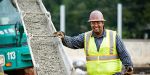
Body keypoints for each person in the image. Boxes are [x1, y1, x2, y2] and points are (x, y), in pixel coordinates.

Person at [54, 10, 133, 75]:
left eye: (98, 22)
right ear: (90, 24)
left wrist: (128, 68)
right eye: (93, 23)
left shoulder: (113, 36)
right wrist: (63, 37)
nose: (95, 25)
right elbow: (72, 42)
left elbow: (124, 54)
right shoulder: (85, 37)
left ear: (103, 23)